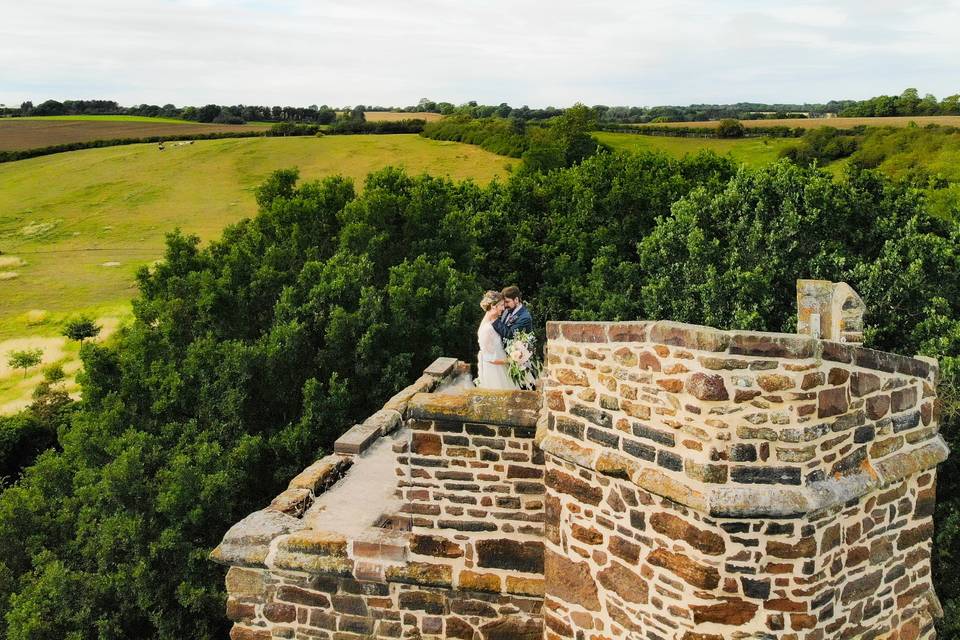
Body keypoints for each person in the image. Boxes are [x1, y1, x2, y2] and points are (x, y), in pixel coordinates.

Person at [476, 291, 520, 390]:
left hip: (501, 367)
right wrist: (510, 360)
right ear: (493, 306)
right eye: (501, 305)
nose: (503, 308)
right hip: (494, 372)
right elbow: (489, 358)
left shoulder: (492, 322)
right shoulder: (486, 329)